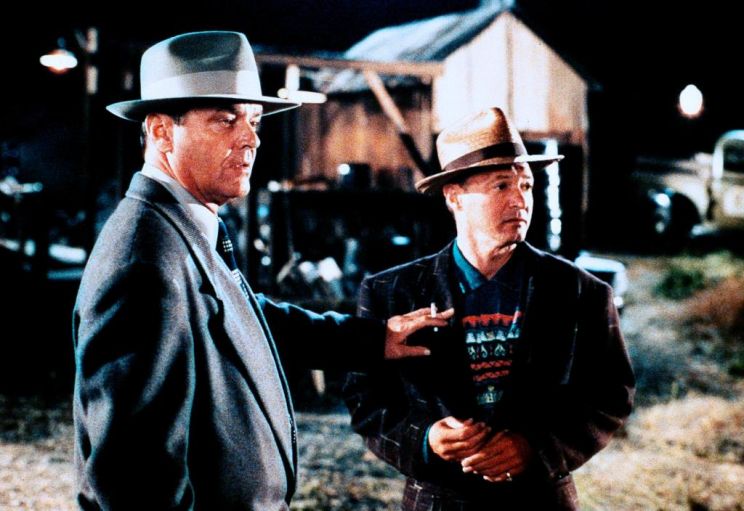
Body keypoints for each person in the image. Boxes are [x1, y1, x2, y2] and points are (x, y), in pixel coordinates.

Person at [72, 31, 452, 511]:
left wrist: (371, 340)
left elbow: (242, 317)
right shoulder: (143, 261)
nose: (251, 138)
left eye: (253, 121)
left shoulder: (182, 227)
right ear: (163, 131)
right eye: (225, 120)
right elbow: (131, 480)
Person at [343, 106, 635, 510]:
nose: (520, 200)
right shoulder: (392, 293)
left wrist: (536, 447)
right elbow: (365, 399)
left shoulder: (580, 292)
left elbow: (611, 393)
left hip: (540, 501)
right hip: (438, 501)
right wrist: (425, 439)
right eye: (501, 186)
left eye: (526, 185)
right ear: (454, 197)